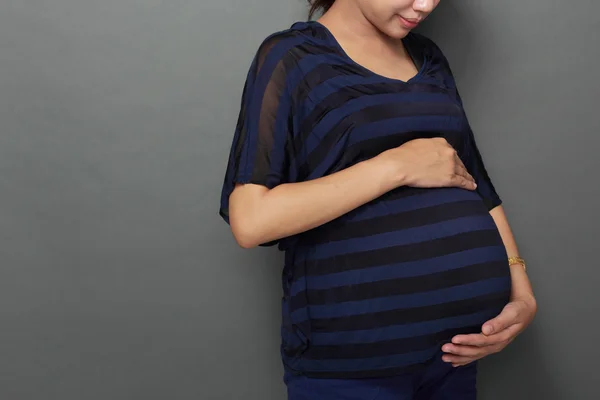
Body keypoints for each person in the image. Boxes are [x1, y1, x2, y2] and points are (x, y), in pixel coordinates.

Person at [218, 0, 538, 398]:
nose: (426, 5)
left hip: (453, 360)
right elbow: (251, 220)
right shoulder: (293, 57)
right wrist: (394, 167)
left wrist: (520, 291)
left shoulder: (429, 58)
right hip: (353, 370)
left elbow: (477, 185)